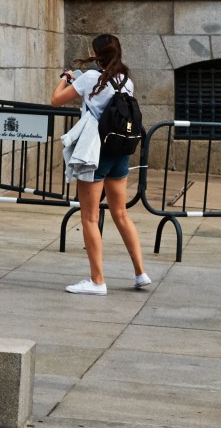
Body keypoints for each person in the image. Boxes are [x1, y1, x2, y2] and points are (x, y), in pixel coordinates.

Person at [51, 33, 150, 296]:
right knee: (121, 214)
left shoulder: (91, 78)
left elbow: (56, 99)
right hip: (120, 152)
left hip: (95, 153)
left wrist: (65, 78)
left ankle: (97, 281)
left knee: (90, 218)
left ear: (97, 55)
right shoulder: (126, 81)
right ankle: (140, 273)